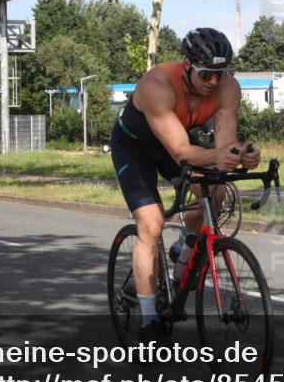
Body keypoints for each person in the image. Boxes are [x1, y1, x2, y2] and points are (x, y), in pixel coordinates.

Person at [110, 28, 260, 343]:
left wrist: (240, 156)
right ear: (187, 64)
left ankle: (187, 245)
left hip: (174, 142)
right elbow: (181, 151)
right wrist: (218, 156)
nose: (214, 82)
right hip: (135, 147)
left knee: (215, 190)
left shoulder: (227, 87)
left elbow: (224, 144)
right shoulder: (158, 85)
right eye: (206, 74)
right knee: (150, 224)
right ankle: (150, 317)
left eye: (221, 73)